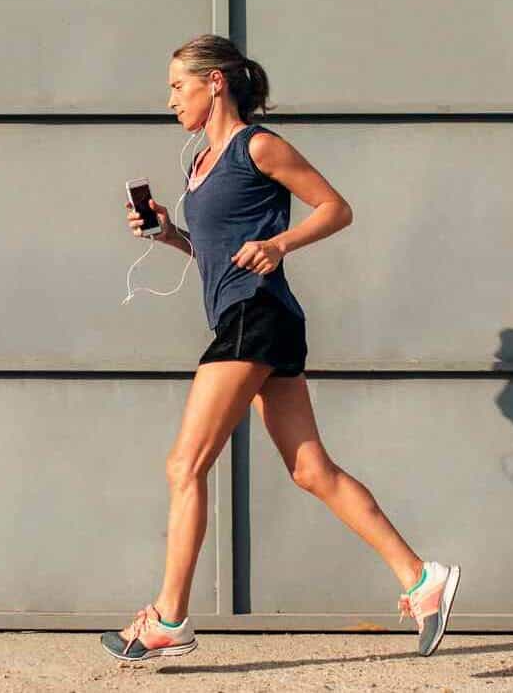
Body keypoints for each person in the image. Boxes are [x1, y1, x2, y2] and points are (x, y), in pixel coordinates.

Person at [103, 34, 459, 662]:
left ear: (216, 82)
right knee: (310, 470)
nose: (169, 101)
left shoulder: (257, 146)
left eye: (177, 86)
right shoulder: (198, 166)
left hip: (256, 317)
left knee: (184, 467)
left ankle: (168, 619)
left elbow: (336, 208)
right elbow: (214, 253)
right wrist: (167, 235)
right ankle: (421, 579)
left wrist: (281, 245)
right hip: (249, 318)